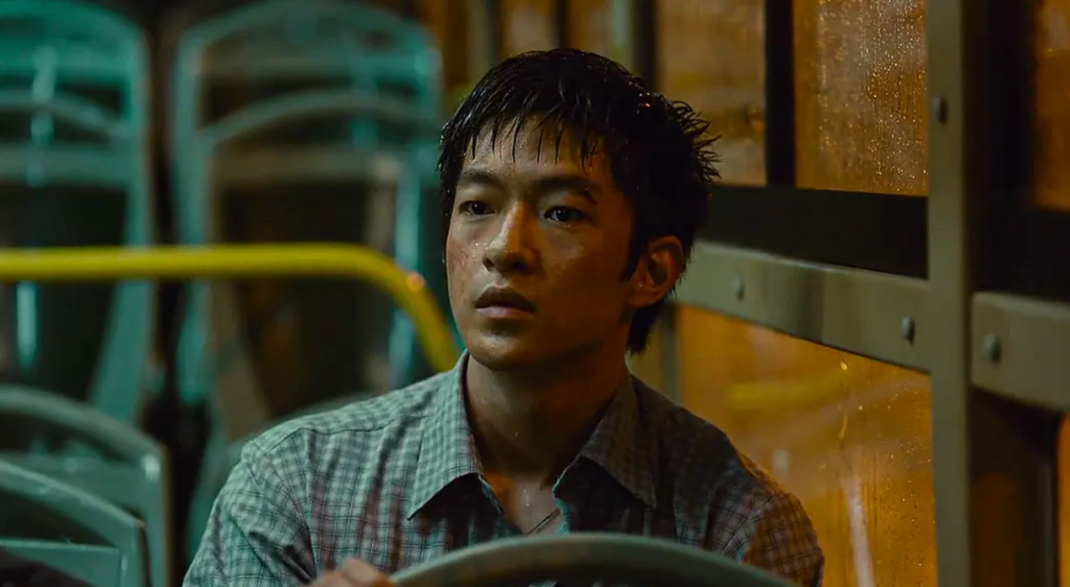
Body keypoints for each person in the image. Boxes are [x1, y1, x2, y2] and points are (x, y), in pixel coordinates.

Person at [183, 48, 824, 587]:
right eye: (478, 206)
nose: (504, 248)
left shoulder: (736, 532)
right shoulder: (299, 491)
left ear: (650, 270)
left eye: (562, 213)